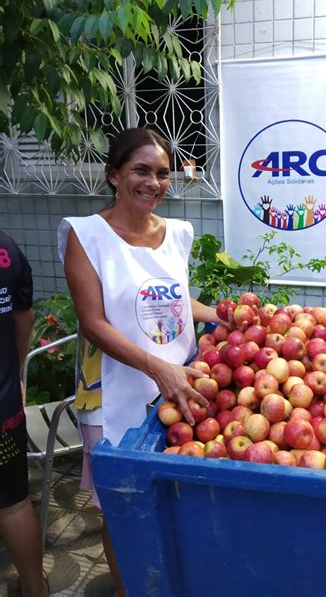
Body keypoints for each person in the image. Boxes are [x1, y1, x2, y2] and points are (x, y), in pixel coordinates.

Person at [58, 127, 228, 596]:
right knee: (122, 504)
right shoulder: (85, 236)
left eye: (162, 173)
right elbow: (93, 323)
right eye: (141, 170)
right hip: (116, 390)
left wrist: (217, 316)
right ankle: (128, 588)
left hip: (180, 382)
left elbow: (175, 300)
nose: (153, 182)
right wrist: (157, 368)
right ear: (113, 174)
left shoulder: (178, 233)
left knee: (173, 494)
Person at [0, 231, 49, 597]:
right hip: (2, 407)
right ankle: (35, 588)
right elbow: (24, 319)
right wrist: (15, 371)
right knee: (14, 503)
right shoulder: (7, 249)